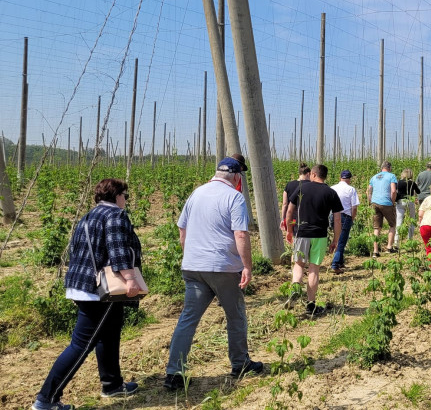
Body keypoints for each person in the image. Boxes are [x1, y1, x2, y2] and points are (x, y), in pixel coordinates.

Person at [33, 178, 142, 410]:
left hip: (81, 284)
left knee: (109, 334)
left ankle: (112, 385)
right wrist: (131, 279)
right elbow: (118, 249)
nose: (126, 200)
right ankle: (46, 399)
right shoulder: (116, 216)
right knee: (81, 345)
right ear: (117, 196)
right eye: (125, 195)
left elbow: (77, 250)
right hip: (100, 291)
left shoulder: (88, 216)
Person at [165, 155, 262, 391]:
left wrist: (192, 254)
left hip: (193, 267)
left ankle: (174, 373)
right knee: (235, 316)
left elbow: (182, 228)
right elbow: (240, 234)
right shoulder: (234, 197)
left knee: (188, 319)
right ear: (237, 176)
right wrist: (247, 266)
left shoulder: (197, 193)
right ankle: (240, 364)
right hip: (223, 268)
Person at [285, 164, 343, 315]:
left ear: (313, 174)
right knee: (314, 268)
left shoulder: (301, 188)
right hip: (320, 235)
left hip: (302, 233)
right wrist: (335, 240)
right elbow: (337, 220)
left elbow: (290, 211)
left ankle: (295, 289)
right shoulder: (331, 193)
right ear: (325, 176)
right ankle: (311, 306)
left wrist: (290, 230)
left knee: (298, 265)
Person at [329, 170, 359, 274]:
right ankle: (335, 264)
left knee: (338, 237)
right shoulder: (351, 189)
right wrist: (352, 218)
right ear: (349, 179)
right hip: (345, 216)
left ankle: (340, 261)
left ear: (340, 177)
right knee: (341, 241)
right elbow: (354, 207)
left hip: (333, 216)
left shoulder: (332, 188)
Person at [367, 161, 398, 256]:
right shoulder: (391, 176)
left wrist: (370, 202)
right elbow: (393, 191)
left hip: (375, 203)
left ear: (381, 168)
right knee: (392, 225)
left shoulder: (374, 177)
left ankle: (375, 251)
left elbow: (368, 191)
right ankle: (389, 247)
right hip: (387, 203)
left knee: (377, 227)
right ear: (389, 168)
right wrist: (392, 202)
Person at [394, 168, 420, 248]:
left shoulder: (399, 182)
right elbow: (418, 191)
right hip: (410, 201)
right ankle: (410, 240)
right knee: (411, 221)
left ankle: (396, 242)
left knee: (399, 221)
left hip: (400, 202)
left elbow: (395, 191)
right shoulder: (412, 183)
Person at [280, 162, 311, 230]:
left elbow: (285, 204)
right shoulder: (311, 185)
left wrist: (283, 219)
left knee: (292, 235)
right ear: (308, 174)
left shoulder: (289, 185)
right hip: (306, 219)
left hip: (292, 219)